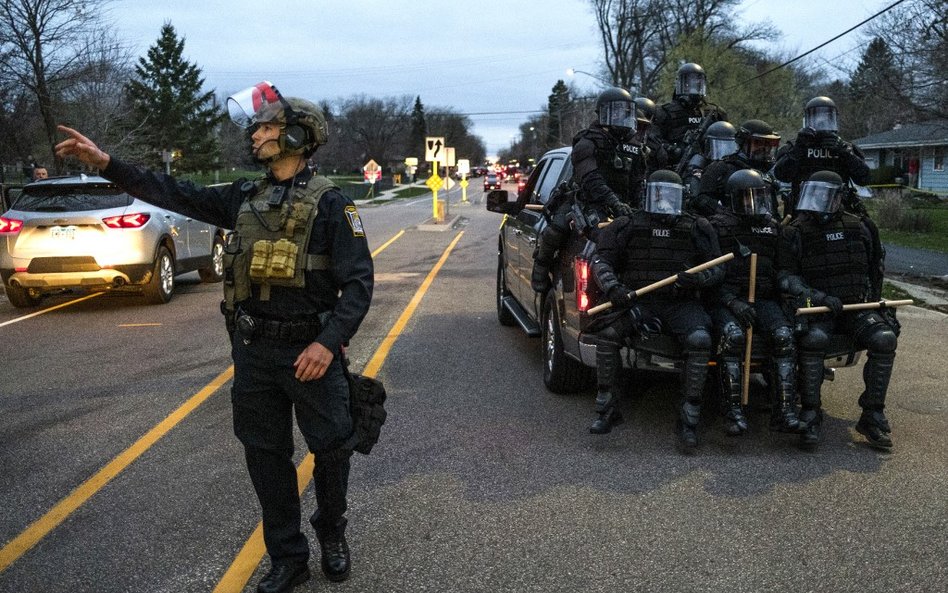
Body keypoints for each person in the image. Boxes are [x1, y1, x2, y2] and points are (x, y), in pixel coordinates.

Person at [55, 81, 374, 593]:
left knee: (331, 448)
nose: (257, 134)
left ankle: (332, 533)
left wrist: (327, 341)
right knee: (266, 456)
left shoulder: (333, 205)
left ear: (298, 134)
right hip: (254, 353)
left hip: (310, 352)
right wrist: (107, 162)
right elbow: (175, 192)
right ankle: (287, 557)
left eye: (268, 127)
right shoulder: (243, 198)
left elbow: (359, 283)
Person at [588, 170, 724, 449]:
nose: (664, 201)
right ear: (648, 194)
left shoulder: (696, 227)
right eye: (658, 194)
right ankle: (607, 408)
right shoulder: (627, 225)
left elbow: (718, 268)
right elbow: (600, 262)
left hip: (680, 303)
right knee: (609, 333)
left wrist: (698, 279)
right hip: (640, 302)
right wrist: (614, 288)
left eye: (670, 195)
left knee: (700, 341)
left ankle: (689, 419)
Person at [777, 171, 899, 451]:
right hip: (818, 308)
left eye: (825, 194)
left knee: (884, 339)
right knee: (814, 341)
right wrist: (815, 296)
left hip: (855, 307)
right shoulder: (795, 231)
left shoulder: (860, 227)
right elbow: (785, 278)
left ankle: (872, 415)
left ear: (839, 197)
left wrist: (877, 303)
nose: (818, 201)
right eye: (814, 193)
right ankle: (810, 412)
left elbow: (874, 271)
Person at [531, 87, 651, 293]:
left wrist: (640, 206)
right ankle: (540, 269)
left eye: (625, 112)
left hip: (625, 204)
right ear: (603, 113)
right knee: (557, 228)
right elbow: (590, 179)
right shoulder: (587, 142)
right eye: (616, 112)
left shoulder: (636, 146)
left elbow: (639, 181)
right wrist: (614, 203)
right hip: (589, 200)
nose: (621, 117)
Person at [708, 169, 799, 436]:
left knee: (783, 336)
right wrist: (732, 303)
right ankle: (732, 412)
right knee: (733, 336)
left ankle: (784, 411)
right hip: (727, 301)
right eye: (745, 199)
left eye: (757, 198)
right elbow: (708, 277)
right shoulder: (717, 227)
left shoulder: (772, 227)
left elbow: (783, 268)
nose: (752, 204)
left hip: (762, 298)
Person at [773, 96, 871, 216]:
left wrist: (845, 153)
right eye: (816, 119)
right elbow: (781, 175)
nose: (822, 124)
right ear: (807, 121)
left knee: (868, 228)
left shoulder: (846, 148)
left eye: (827, 119)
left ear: (835, 120)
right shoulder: (795, 146)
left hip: (840, 210)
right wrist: (798, 149)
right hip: (803, 212)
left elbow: (864, 179)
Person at [692, 120, 780, 217]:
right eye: (758, 143)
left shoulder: (767, 175)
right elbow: (702, 201)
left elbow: (772, 211)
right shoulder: (720, 168)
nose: (764, 149)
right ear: (743, 142)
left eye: (768, 145)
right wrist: (726, 215)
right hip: (727, 227)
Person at [651, 63, 728, 173]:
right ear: (680, 84)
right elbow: (653, 141)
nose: (693, 88)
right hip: (674, 166)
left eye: (697, 84)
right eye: (688, 84)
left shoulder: (715, 113)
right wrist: (672, 149)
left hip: (709, 167)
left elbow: (728, 140)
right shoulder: (664, 112)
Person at [681, 120, 738, 206]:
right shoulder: (699, 163)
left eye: (727, 147)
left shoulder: (733, 165)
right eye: (717, 146)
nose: (723, 152)